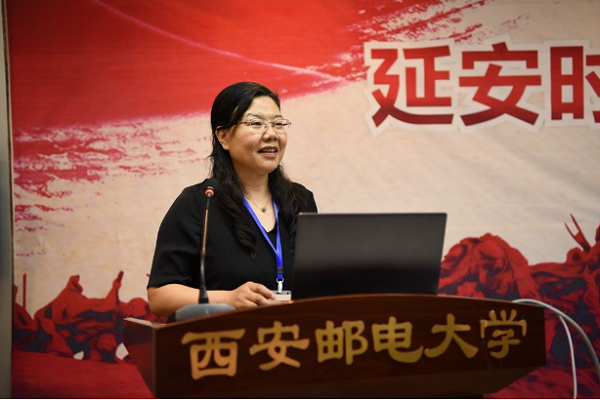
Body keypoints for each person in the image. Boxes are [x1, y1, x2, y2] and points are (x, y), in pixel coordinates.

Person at [147, 82, 318, 317]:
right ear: (224, 137)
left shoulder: (300, 200)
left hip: (290, 335)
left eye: (278, 124)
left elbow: (317, 283)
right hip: (222, 337)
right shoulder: (200, 203)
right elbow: (160, 296)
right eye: (256, 123)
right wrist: (228, 299)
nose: (271, 134)